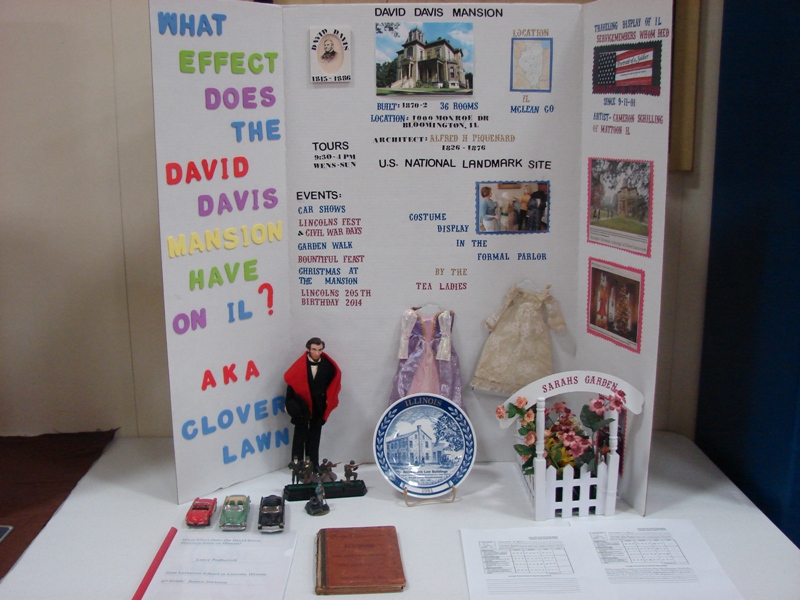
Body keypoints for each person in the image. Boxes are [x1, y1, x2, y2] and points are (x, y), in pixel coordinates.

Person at [284, 337, 342, 472]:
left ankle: (313, 464)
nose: (317, 353)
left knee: (314, 437)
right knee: (300, 435)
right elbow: (291, 384)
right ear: (308, 349)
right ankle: (297, 464)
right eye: (314, 349)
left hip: (318, 406)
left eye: (320, 350)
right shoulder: (300, 365)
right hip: (302, 407)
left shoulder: (327, 367)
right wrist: (289, 403)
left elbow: (332, 387)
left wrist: (328, 405)